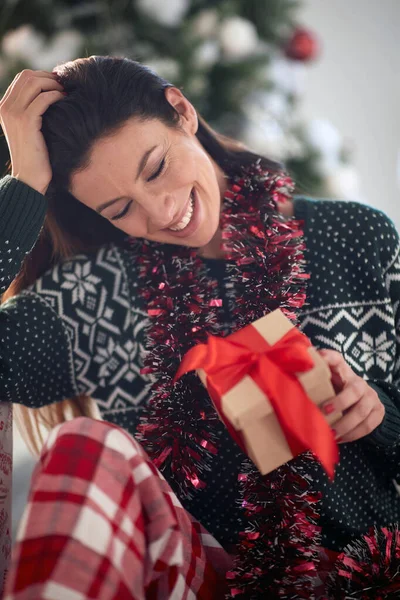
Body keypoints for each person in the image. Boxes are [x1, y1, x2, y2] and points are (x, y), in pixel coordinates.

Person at [0, 56, 399, 597]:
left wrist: (376, 411)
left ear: (181, 111)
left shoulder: (356, 238)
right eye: (120, 209)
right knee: (86, 443)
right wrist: (22, 188)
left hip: (372, 570)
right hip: (206, 573)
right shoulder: (95, 298)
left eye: (156, 168)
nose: (161, 213)